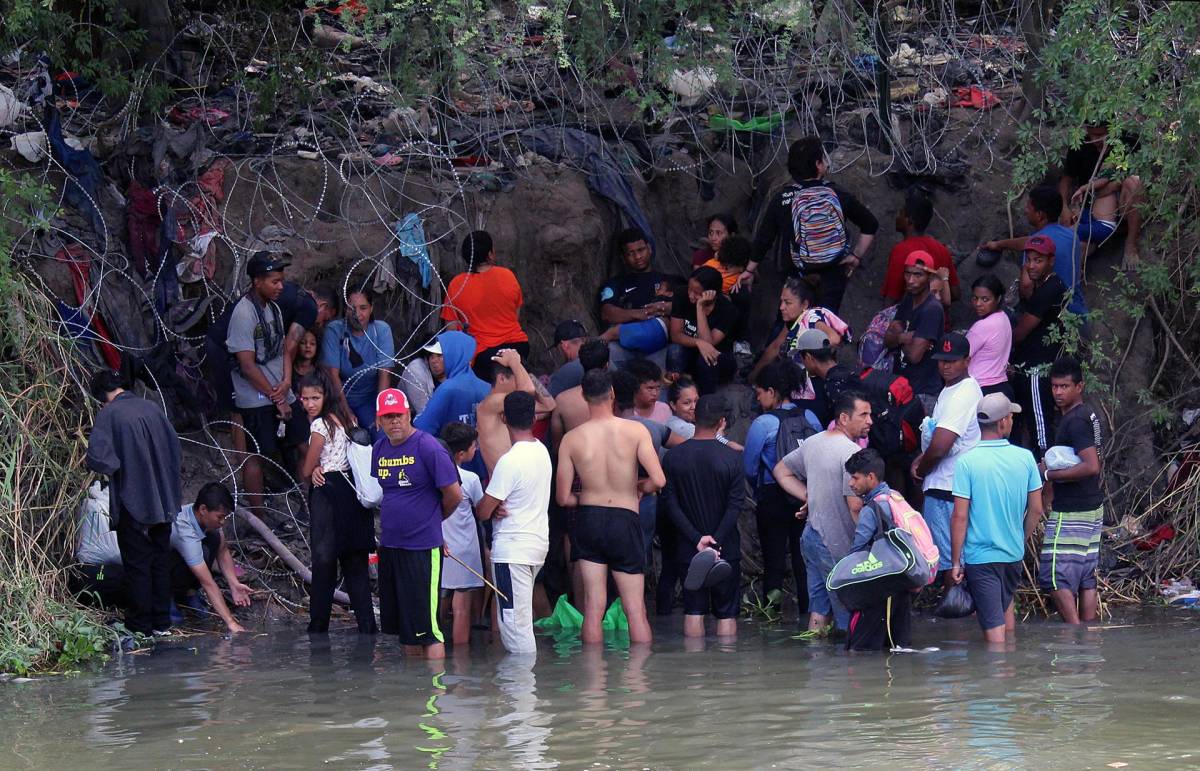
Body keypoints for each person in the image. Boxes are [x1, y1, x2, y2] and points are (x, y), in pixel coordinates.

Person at [556, 370, 664, 644]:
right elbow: (659, 479)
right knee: (635, 609)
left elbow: (562, 497)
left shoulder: (572, 439)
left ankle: (593, 683)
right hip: (624, 519)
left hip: (589, 520)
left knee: (593, 607)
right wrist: (640, 488)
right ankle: (639, 682)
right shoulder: (635, 430)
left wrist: (587, 499)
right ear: (613, 393)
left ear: (583, 396)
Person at [85, 369, 182, 637]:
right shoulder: (151, 407)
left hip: (133, 501)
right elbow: (175, 448)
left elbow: (98, 458)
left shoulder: (109, 414)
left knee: (137, 565)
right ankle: (162, 623)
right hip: (165, 501)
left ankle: (140, 627)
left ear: (102, 398)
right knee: (160, 561)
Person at [373, 388, 463, 659]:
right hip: (390, 546)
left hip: (422, 547)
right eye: (387, 417)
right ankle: (413, 691)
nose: (394, 422)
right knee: (405, 627)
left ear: (408, 413)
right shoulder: (380, 448)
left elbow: (454, 495)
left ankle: (434, 693)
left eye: (398, 415)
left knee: (429, 629)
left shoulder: (428, 446)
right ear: (379, 420)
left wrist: (432, 523)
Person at [774, 391, 873, 634]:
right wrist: (867, 551)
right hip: (835, 542)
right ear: (844, 418)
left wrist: (810, 496)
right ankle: (849, 666)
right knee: (848, 619)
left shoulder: (813, 442)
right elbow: (855, 507)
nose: (870, 421)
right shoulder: (852, 453)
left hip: (810, 537)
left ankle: (817, 663)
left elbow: (780, 471)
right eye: (864, 415)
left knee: (818, 610)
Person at [743, 136, 878, 312]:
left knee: (791, 329)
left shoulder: (783, 199)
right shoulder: (837, 193)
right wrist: (855, 256)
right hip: (832, 277)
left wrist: (749, 270)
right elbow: (870, 224)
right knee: (824, 328)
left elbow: (764, 238)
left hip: (797, 277)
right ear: (818, 164)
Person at [950, 393, 1044, 644]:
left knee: (994, 636)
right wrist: (1019, 539)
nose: (1012, 421)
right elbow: (1036, 509)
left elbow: (960, 516)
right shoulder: (1025, 459)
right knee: (1005, 615)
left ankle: (998, 679)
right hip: (1012, 555)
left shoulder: (967, 462)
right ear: (1002, 422)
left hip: (981, 558)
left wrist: (956, 561)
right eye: (1011, 417)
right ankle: (1008, 671)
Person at [225, 252, 311, 513]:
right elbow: (247, 366)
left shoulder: (272, 308)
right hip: (256, 396)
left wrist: (286, 381)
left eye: (281, 281)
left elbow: (284, 349)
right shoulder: (243, 314)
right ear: (257, 282)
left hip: (279, 388)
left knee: (303, 441)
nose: (280, 286)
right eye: (274, 281)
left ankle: (309, 499)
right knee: (255, 456)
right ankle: (259, 517)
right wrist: (277, 398)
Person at [297, 370, 376, 634]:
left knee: (324, 565)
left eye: (314, 397)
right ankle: (368, 629)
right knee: (356, 568)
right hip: (352, 493)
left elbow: (307, 470)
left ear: (325, 396)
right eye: (305, 398)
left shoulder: (320, 425)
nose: (309, 404)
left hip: (328, 493)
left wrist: (314, 468)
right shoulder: (347, 418)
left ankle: (318, 630)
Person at [661, 395, 745, 637]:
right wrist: (715, 540)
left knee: (693, 610)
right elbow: (735, 506)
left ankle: (693, 672)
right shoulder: (732, 458)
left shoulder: (674, 457)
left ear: (694, 419)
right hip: (725, 547)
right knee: (727, 612)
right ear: (721, 422)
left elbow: (670, 504)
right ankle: (726, 672)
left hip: (689, 547)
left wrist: (697, 538)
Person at [476, 392, 553, 654]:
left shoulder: (509, 461)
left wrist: (489, 506)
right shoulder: (542, 451)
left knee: (514, 623)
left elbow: (484, 511)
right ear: (534, 418)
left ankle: (521, 690)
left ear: (504, 419)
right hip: (537, 545)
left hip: (513, 550)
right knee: (521, 619)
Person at [744, 360, 821, 616]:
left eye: (760, 393)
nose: (758, 398)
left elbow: (750, 467)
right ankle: (811, 616)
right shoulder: (809, 417)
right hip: (806, 496)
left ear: (772, 391)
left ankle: (770, 615)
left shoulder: (763, 423)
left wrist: (759, 491)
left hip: (772, 497)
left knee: (773, 561)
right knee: (804, 560)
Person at [910, 332, 982, 583]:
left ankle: (959, 615)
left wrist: (922, 470)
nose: (945, 366)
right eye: (941, 360)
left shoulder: (964, 392)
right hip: (945, 485)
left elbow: (941, 446)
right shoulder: (950, 389)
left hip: (949, 487)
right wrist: (922, 458)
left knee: (951, 565)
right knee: (948, 562)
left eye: (952, 361)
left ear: (967, 360)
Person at [1038, 356, 1105, 624]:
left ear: (1080, 386)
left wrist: (1048, 474)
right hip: (1092, 506)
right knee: (1086, 576)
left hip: (1073, 509)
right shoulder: (1088, 414)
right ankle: (1086, 637)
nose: (1058, 392)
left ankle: (1073, 632)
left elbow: (1091, 466)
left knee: (1054, 575)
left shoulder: (1075, 421)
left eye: (1064, 386)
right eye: (1055, 386)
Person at [843, 448, 913, 652]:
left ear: (871, 477)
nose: (850, 483)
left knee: (859, 649)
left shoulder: (871, 508)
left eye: (855, 478)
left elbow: (858, 551)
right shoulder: (895, 498)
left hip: (879, 587)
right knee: (899, 647)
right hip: (901, 580)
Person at [982, 185, 1086, 318]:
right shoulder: (1072, 236)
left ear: (1040, 215)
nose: (1025, 211)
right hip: (1078, 311)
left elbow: (1026, 286)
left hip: (1053, 317)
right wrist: (999, 244)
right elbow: (1028, 241)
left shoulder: (1036, 247)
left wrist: (1031, 308)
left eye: (1028, 207)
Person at [441, 230, 530, 381]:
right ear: (490, 254)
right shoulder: (508, 275)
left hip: (485, 356)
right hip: (518, 347)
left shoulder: (457, 285)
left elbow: (451, 331)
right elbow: (516, 315)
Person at [1010, 235, 1068, 458]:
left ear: (1051, 261)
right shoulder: (1047, 285)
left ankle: (1047, 478)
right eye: (1029, 260)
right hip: (1032, 364)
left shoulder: (1049, 289)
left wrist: (1004, 348)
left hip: (1037, 368)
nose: (1032, 265)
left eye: (1038, 260)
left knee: (1040, 427)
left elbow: (1022, 330)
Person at [167, 483, 251, 634]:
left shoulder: (202, 516)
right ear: (203, 509)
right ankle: (169, 599)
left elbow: (223, 550)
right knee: (174, 622)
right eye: (220, 517)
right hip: (158, 574)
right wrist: (231, 622)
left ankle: (189, 592)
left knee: (214, 539)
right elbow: (208, 583)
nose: (222, 522)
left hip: (178, 568)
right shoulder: (184, 530)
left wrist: (233, 584)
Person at [1060, 123, 1143, 266]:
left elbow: (1127, 178)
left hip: (1122, 205)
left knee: (1133, 183)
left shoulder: (1128, 142)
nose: (1095, 139)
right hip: (1092, 210)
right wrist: (1064, 208)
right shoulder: (1080, 145)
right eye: (1091, 134)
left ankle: (1130, 243)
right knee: (1076, 249)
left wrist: (1099, 189)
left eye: (1100, 135)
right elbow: (1066, 180)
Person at [321, 288, 394, 439]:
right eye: (352, 308)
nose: (358, 314)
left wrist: (380, 411)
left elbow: (385, 374)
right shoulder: (335, 331)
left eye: (363, 308)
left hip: (369, 400)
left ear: (371, 308)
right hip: (339, 400)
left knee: (383, 435)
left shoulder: (381, 330)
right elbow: (332, 375)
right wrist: (347, 413)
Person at [749, 277, 850, 385]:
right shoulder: (794, 321)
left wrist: (812, 352)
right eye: (781, 302)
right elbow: (775, 347)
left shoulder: (812, 318)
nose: (781, 307)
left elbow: (834, 339)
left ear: (805, 305)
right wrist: (753, 377)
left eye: (787, 303)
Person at [437, 422, 485, 648]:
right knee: (462, 606)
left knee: (440, 597)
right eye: (474, 446)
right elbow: (483, 509)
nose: (477, 449)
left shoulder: (432, 474)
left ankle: (437, 646)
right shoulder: (470, 479)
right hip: (464, 548)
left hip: (439, 545)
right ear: (461, 454)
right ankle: (461, 659)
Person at [599, 227, 674, 368]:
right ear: (623, 258)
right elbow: (606, 313)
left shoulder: (668, 280)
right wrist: (638, 314)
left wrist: (665, 308)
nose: (638, 257)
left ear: (650, 249)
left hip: (662, 347)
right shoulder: (616, 283)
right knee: (602, 355)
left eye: (641, 250)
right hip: (625, 347)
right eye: (631, 253)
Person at [475, 348, 556, 475]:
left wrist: (525, 371)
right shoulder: (491, 403)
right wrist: (514, 363)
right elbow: (528, 391)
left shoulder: (510, 404)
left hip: (518, 479)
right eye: (517, 378)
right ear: (502, 379)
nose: (520, 382)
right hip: (503, 486)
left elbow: (549, 405)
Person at [884, 251, 945, 412]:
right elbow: (887, 339)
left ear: (930, 278)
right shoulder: (909, 299)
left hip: (922, 392)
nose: (911, 281)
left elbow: (915, 356)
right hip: (902, 386)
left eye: (918, 275)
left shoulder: (932, 309)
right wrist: (905, 337)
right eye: (908, 274)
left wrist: (897, 338)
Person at [881, 189, 960, 306]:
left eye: (901, 213)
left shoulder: (902, 250)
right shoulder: (942, 250)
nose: (897, 217)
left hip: (911, 321)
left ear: (910, 220)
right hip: (940, 321)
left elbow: (892, 297)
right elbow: (956, 293)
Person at [412, 330, 491, 448]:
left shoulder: (447, 389)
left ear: (453, 354)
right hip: (483, 460)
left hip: (453, 460)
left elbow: (423, 426)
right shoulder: (487, 388)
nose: (434, 360)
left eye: (441, 354)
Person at [666, 266, 738, 394]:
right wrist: (699, 343)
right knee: (674, 349)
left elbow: (709, 343)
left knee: (706, 358)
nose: (690, 295)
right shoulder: (681, 295)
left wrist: (700, 307)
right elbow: (676, 334)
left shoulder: (727, 310)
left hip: (717, 358)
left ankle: (705, 401)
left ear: (712, 294)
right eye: (689, 289)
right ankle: (676, 393)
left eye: (697, 293)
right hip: (690, 351)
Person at [790, 329, 856, 427]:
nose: (802, 362)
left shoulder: (833, 384)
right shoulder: (849, 374)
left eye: (801, 358)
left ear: (808, 357)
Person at [966, 275, 1014, 399]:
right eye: (975, 298)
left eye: (985, 299)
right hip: (1001, 386)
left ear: (998, 299)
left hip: (981, 388)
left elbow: (960, 356)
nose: (978, 304)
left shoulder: (983, 326)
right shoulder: (1003, 317)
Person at [397, 340, 446, 415]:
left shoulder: (455, 368)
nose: (435, 361)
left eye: (439, 355)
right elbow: (424, 413)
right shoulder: (415, 372)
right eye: (431, 356)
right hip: (411, 417)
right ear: (426, 359)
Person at [547, 319, 589, 397]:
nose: (558, 353)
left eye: (557, 348)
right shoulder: (601, 357)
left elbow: (546, 398)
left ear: (564, 346)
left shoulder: (571, 369)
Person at [624, 358, 673, 423]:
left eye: (658, 387)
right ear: (634, 386)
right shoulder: (623, 412)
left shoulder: (664, 409)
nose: (655, 393)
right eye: (650, 388)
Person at [291, 328, 320, 396]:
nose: (308, 346)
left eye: (312, 344)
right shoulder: (289, 372)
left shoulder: (320, 373)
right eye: (303, 343)